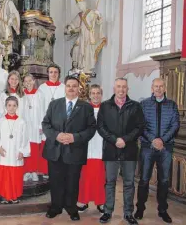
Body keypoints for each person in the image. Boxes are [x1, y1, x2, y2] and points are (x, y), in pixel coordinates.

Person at [42, 76, 96, 221]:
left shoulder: (86, 107)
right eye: (68, 86)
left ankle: (71, 208)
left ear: (79, 89)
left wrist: (74, 137)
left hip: (75, 150)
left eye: (74, 86)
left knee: (72, 181)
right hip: (55, 150)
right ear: (64, 88)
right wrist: (57, 135)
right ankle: (56, 207)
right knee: (55, 181)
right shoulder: (54, 104)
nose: (71, 88)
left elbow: (91, 129)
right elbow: (46, 124)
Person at [97, 78, 145, 225]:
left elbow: (140, 127)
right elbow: (101, 126)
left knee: (129, 183)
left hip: (129, 149)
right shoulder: (105, 106)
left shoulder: (135, 106)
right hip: (111, 149)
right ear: (114, 88)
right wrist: (114, 140)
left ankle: (128, 213)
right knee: (110, 182)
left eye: (124, 87)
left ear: (127, 89)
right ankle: (107, 211)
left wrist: (125, 139)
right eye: (118, 86)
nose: (121, 89)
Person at [134, 78, 180, 224]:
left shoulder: (172, 105)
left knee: (164, 180)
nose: (158, 89)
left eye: (161, 86)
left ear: (165, 88)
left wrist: (162, 140)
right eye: (156, 86)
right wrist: (153, 139)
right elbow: (140, 125)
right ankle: (140, 208)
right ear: (152, 88)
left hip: (166, 147)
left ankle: (162, 210)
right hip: (148, 146)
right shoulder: (144, 104)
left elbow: (175, 125)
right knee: (144, 180)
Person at [0, 96, 30, 204]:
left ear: (17, 107)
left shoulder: (21, 122)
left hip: (16, 152)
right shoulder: (0, 121)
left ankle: (14, 195)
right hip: (4, 152)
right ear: (5, 106)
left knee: (15, 175)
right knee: (4, 174)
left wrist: (22, 151)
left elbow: (25, 138)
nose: (11, 108)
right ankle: (4, 195)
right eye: (9, 105)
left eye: (14, 105)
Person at [77, 84, 105, 214]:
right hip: (87, 145)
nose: (95, 95)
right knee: (85, 175)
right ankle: (83, 200)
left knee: (100, 175)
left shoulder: (106, 109)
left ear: (101, 95)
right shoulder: (83, 109)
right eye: (93, 93)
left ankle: (101, 202)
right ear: (89, 95)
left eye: (98, 93)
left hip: (101, 145)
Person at [64, 0, 106, 74]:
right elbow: (73, 25)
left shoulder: (91, 12)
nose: (80, 6)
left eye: (81, 4)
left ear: (84, 3)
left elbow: (98, 23)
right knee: (76, 50)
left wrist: (98, 16)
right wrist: (70, 29)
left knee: (88, 51)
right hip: (81, 36)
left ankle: (86, 68)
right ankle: (78, 67)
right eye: (78, 5)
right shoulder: (79, 15)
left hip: (89, 36)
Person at [38, 64, 65, 178]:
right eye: (51, 72)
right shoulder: (42, 88)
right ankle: (45, 170)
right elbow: (39, 106)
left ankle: (57, 169)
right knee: (46, 143)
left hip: (59, 121)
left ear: (59, 74)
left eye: (55, 72)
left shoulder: (64, 87)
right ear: (47, 74)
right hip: (46, 120)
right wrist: (40, 123)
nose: (53, 74)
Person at [22, 74, 44, 182]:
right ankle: (26, 171)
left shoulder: (39, 94)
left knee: (35, 149)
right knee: (26, 148)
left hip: (35, 125)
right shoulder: (22, 95)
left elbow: (42, 110)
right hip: (25, 126)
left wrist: (41, 125)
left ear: (34, 81)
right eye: (26, 81)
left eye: (30, 81)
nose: (28, 83)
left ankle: (34, 171)